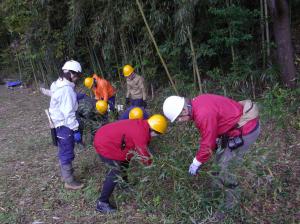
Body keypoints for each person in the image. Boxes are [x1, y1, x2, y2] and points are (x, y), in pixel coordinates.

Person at [163, 94, 260, 215]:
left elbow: (207, 143)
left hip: (245, 131)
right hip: (232, 129)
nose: (180, 121)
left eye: (179, 118)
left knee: (227, 170)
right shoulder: (198, 103)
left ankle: (230, 207)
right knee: (218, 163)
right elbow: (211, 130)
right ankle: (216, 192)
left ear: (183, 110)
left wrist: (196, 162)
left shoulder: (203, 113)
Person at [93, 114, 168, 213]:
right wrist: (152, 167)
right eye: (158, 134)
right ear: (155, 131)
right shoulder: (141, 133)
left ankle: (123, 184)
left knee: (125, 160)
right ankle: (102, 203)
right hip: (104, 143)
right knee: (116, 171)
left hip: (105, 136)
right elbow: (144, 155)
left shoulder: (142, 125)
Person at [48, 60, 84, 190]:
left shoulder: (57, 84)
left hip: (57, 123)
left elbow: (57, 98)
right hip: (64, 125)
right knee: (67, 151)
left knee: (63, 149)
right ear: (69, 73)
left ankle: (66, 175)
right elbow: (68, 113)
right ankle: (69, 181)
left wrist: (75, 96)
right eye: (76, 75)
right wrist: (75, 130)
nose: (76, 78)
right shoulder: (66, 90)